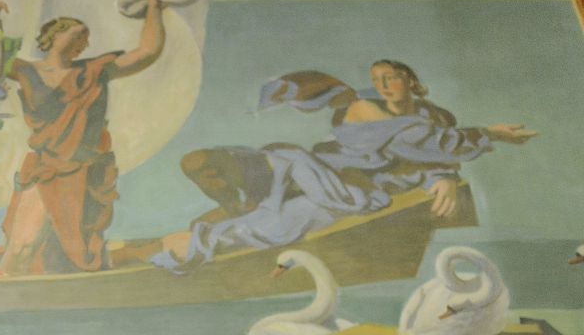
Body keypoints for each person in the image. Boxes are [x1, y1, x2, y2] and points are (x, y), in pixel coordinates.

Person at [152, 61, 537, 271]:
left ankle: (210, 237)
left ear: (411, 80)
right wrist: (451, 165)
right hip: (329, 175)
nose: (384, 85)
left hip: (349, 189)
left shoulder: (429, 118)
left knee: (284, 177)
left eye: (391, 78)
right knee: (260, 167)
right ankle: (220, 223)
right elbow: (430, 148)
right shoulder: (367, 110)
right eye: (376, 79)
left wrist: (453, 169)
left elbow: (435, 147)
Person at [0, 0, 168, 276]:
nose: (85, 43)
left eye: (87, 39)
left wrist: (154, 9)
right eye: (79, 34)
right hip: (47, 169)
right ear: (54, 35)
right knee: (21, 247)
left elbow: (147, 51)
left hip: (87, 172)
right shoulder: (25, 71)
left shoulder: (95, 70)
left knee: (77, 251)